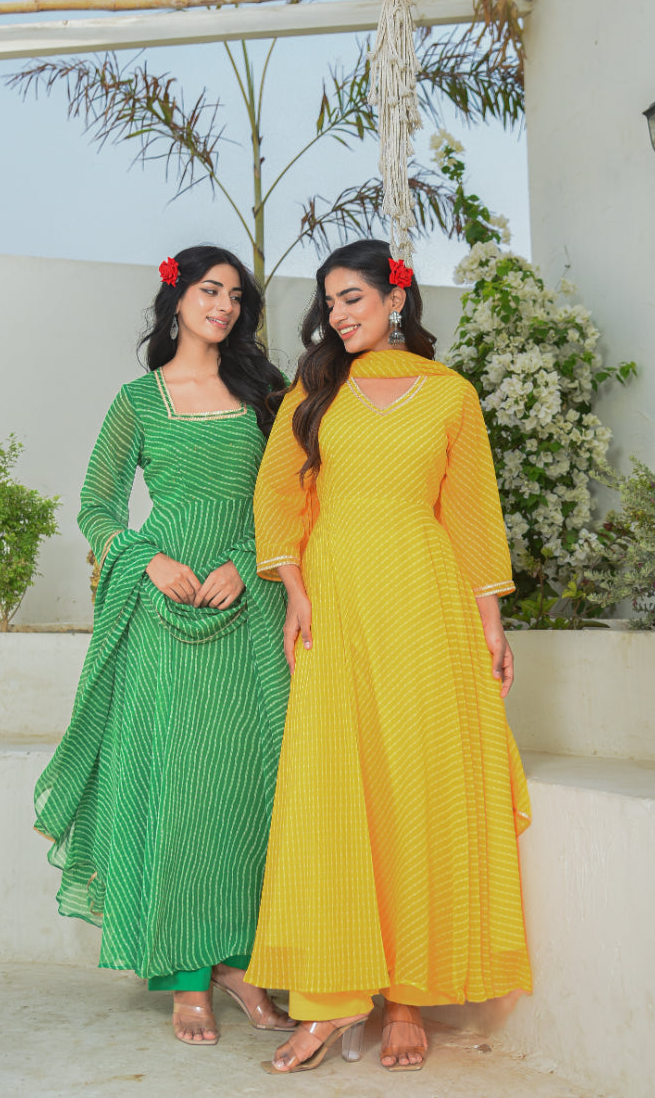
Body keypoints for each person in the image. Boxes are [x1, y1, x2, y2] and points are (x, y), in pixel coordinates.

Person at [244, 239, 532, 1074]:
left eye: (353, 298)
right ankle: (331, 1003)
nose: (339, 314)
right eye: (330, 302)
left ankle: (405, 998)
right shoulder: (316, 389)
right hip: (337, 603)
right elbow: (279, 495)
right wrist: (295, 590)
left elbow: (473, 511)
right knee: (334, 786)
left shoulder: (452, 397)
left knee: (415, 785)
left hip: (426, 606)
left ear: (395, 298)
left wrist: (490, 620)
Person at [34, 245, 295, 1047]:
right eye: (208, 289)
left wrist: (246, 565)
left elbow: (291, 498)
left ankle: (242, 961)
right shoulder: (139, 401)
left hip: (246, 603)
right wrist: (147, 558)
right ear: (176, 297)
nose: (222, 304)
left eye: (235, 295)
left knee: (250, 783)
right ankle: (184, 973)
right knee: (178, 780)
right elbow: (96, 503)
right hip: (162, 607)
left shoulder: (267, 397)